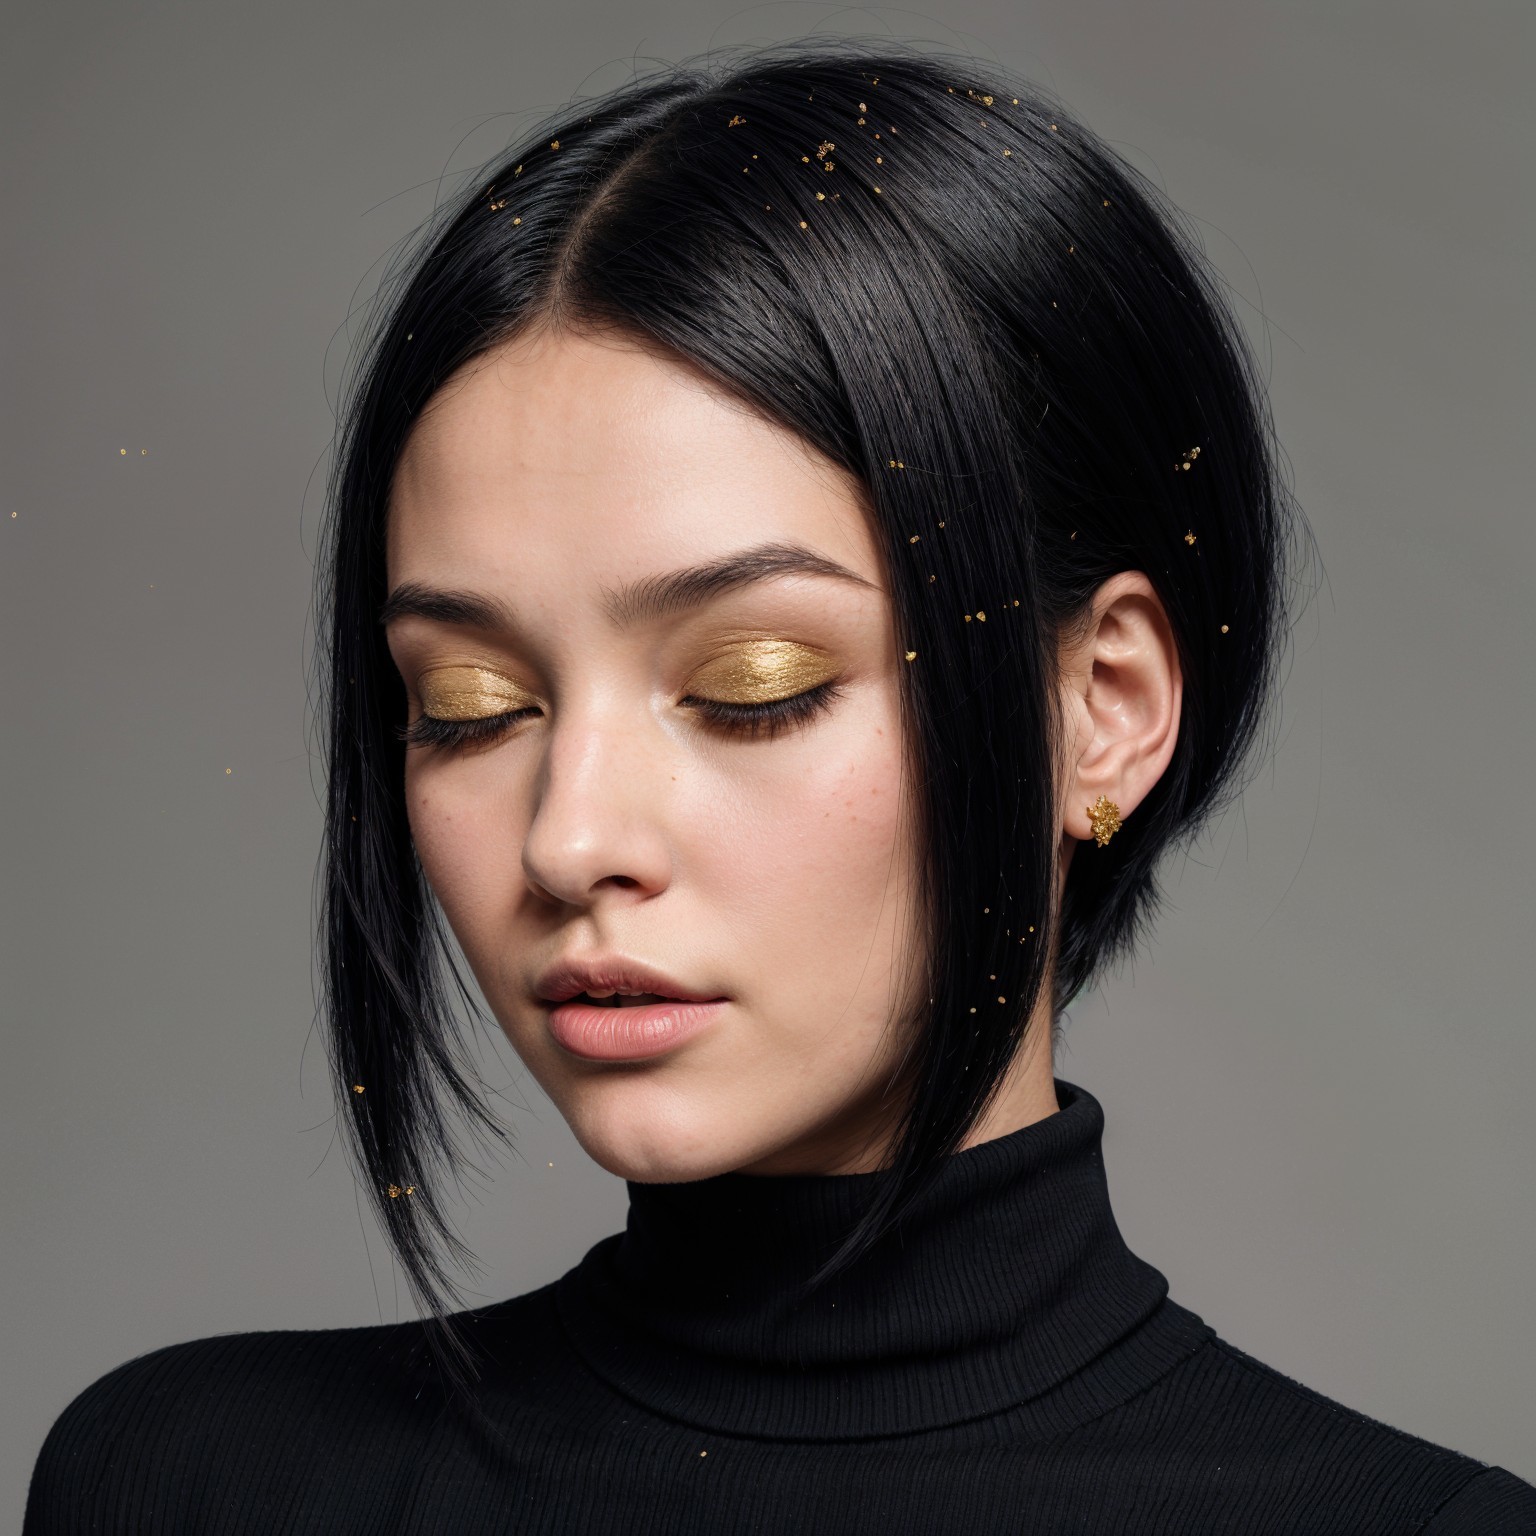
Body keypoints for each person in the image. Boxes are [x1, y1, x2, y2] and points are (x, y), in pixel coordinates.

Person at [24, 37, 1535, 1534]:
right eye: (471, 706)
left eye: (754, 685)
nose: (572, 839)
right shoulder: (186, 1483)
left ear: (1105, 708)